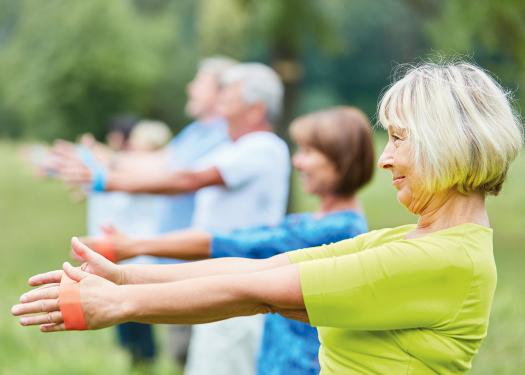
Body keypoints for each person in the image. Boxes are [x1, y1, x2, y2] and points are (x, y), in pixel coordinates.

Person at [13, 62, 522, 374]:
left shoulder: (442, 259)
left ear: (449, 146)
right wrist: (125, 273)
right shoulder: (412, 240)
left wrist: (122, 301)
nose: (384, 158)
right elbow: (258, 269)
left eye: (399, 138)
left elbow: (257, 292)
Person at [80, 106, 375, 375]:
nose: (298, 161)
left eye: (310, 151)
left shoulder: (337, 230)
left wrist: (134, 249)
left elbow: (237, 245)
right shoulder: (310, 222)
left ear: (341, 158)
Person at [51, 62, 291, 375]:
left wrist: (106, 181)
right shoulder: (238, 148)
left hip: (240, 286)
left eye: (230, 99)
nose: (222, 106)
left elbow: (185, 180)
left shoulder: (262, 147)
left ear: (256, 109)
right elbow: (170, 169)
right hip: (220, 281)